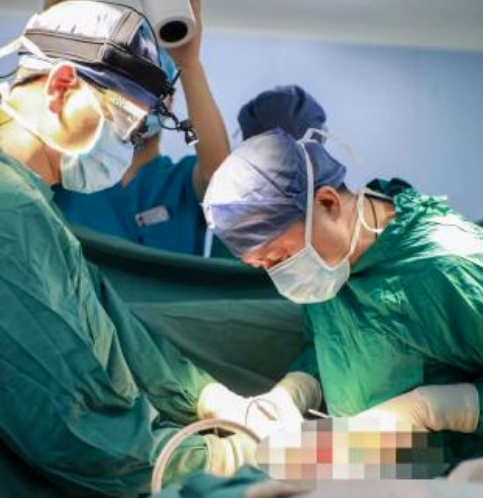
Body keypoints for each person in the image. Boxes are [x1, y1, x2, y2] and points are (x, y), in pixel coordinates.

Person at [0, 2, 318, 496]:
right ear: (61, 87)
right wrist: (222, 456)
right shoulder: (11, 211)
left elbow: (114, 330)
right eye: (123, 119)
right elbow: (71, 435)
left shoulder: (33, 204)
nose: (129, 142)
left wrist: (209, 398)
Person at [203, 127, 483, 470]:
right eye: (262, 266)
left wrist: (438, 408)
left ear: (327, 202)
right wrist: (295, 390)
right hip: (376, 462)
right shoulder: (327, 267)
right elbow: (338, 343)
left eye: (279, 257)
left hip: (457, 475)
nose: (280, 274)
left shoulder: (448, 266)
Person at [51, 0, 228, 255]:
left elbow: (219, 177)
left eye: (150, 88)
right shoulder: (68, 172)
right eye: (123, 87)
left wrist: (189, 65)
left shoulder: (180, 184)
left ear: (169, 100)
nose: (136, 102)